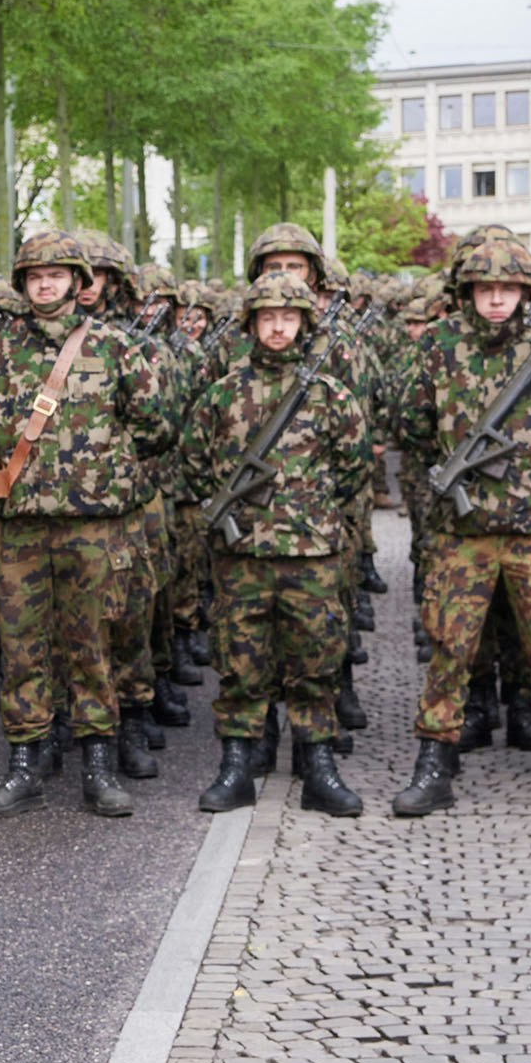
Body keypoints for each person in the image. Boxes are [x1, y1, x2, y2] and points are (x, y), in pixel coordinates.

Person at [390, 234, 531, 818]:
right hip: (464, 532)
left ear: (525, 293)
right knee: (450, 650)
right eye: (485, 289)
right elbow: (409, 421)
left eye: (507, 289)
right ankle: (434, 760)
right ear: (468, 292)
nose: (496, 300)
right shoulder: (438, 347)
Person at [0, 229, 175, 817]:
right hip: (19, 528)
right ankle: (24, 765)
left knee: (93, 646)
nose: (45, 283)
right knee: (21, 649)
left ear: (78, 284)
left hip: (93, 528)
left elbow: (156, 426)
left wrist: (105, 470)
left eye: (57, 275)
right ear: (22, 285)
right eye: (36, 276)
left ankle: (97, 763)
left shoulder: (116, 348)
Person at [183, 273, 372, 816]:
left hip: (311, 554)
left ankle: (319, 767)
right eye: (268, 317)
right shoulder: (223, 392)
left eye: (288, 318)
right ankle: (237, 766)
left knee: (316, 660)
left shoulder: (330, 394)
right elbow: (194, 462)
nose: (278, 327)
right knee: (240, 662)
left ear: (304, 324)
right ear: (251, 324)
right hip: (241, 556)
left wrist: (306, 509)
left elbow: (354, 466)